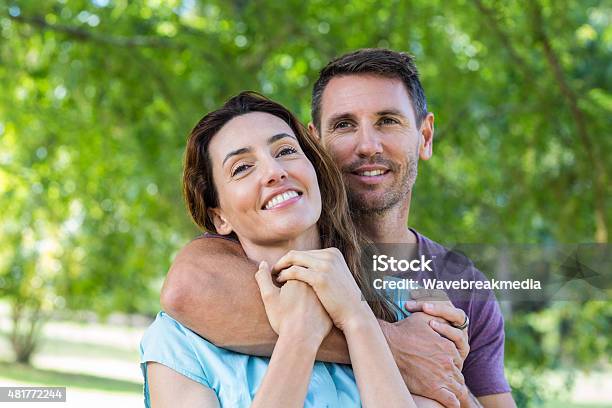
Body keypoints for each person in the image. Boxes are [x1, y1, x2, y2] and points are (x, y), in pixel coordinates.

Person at [161, 49, 516, 408]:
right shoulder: (225, 263)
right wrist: (388, 344)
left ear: (425, 136)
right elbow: (184, 291)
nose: (367, 146)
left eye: (388, 121)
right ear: (316, 142)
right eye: (344, 124)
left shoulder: (439, 299)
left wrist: (445, 382)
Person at [141, 91, 440, 407]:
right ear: (220, 216)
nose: (274, 172)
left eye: (285, 150)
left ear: (314, 170)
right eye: (242, 168)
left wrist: (357, 317)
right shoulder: (179, 342)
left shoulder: (409, 309)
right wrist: (300, 336)